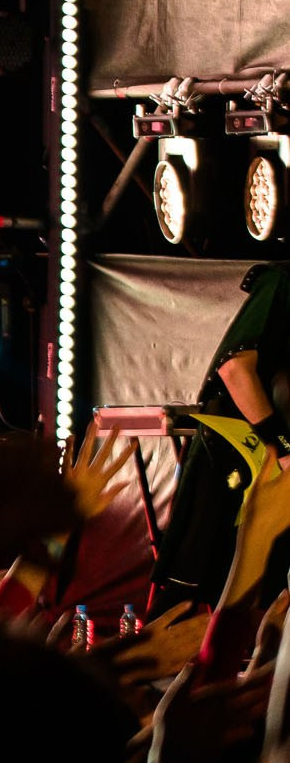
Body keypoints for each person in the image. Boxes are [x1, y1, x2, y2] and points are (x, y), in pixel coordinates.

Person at [151, 260, 290, 612]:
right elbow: (234, 370)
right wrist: (284, 445)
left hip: (271, 469)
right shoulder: (282, 282)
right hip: (239, 460)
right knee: (210, 594)